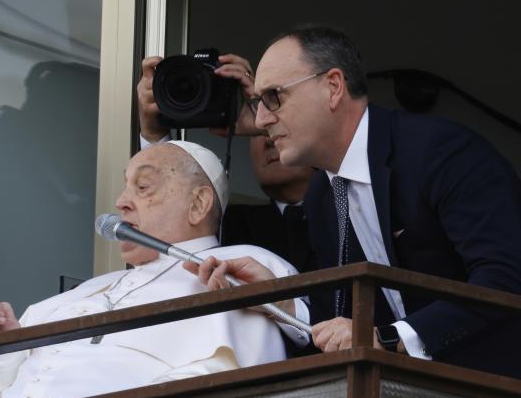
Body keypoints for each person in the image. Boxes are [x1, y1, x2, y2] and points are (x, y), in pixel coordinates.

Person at [195, 25, 521, 379]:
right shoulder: (321, 192)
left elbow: (503, 279)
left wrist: (389, 338)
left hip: (496, 395)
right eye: (258, 103)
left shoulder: (439, 152)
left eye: (274, 97)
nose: (260, 120)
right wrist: (279, 300)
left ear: (333, 87)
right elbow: (342, 319)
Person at [0, 141, 306, 398]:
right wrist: (8, 349)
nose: (121, 202)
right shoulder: (79, 295)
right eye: (125, 188)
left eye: (143, 187)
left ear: (198, 204)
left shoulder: (241, 265)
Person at [136, 53, 316, 274]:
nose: (269, 139)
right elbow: (167, 224)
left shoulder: (350, 202)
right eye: (259, 130)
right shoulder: (225, 226)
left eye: (271, 121)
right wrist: (154, 135)